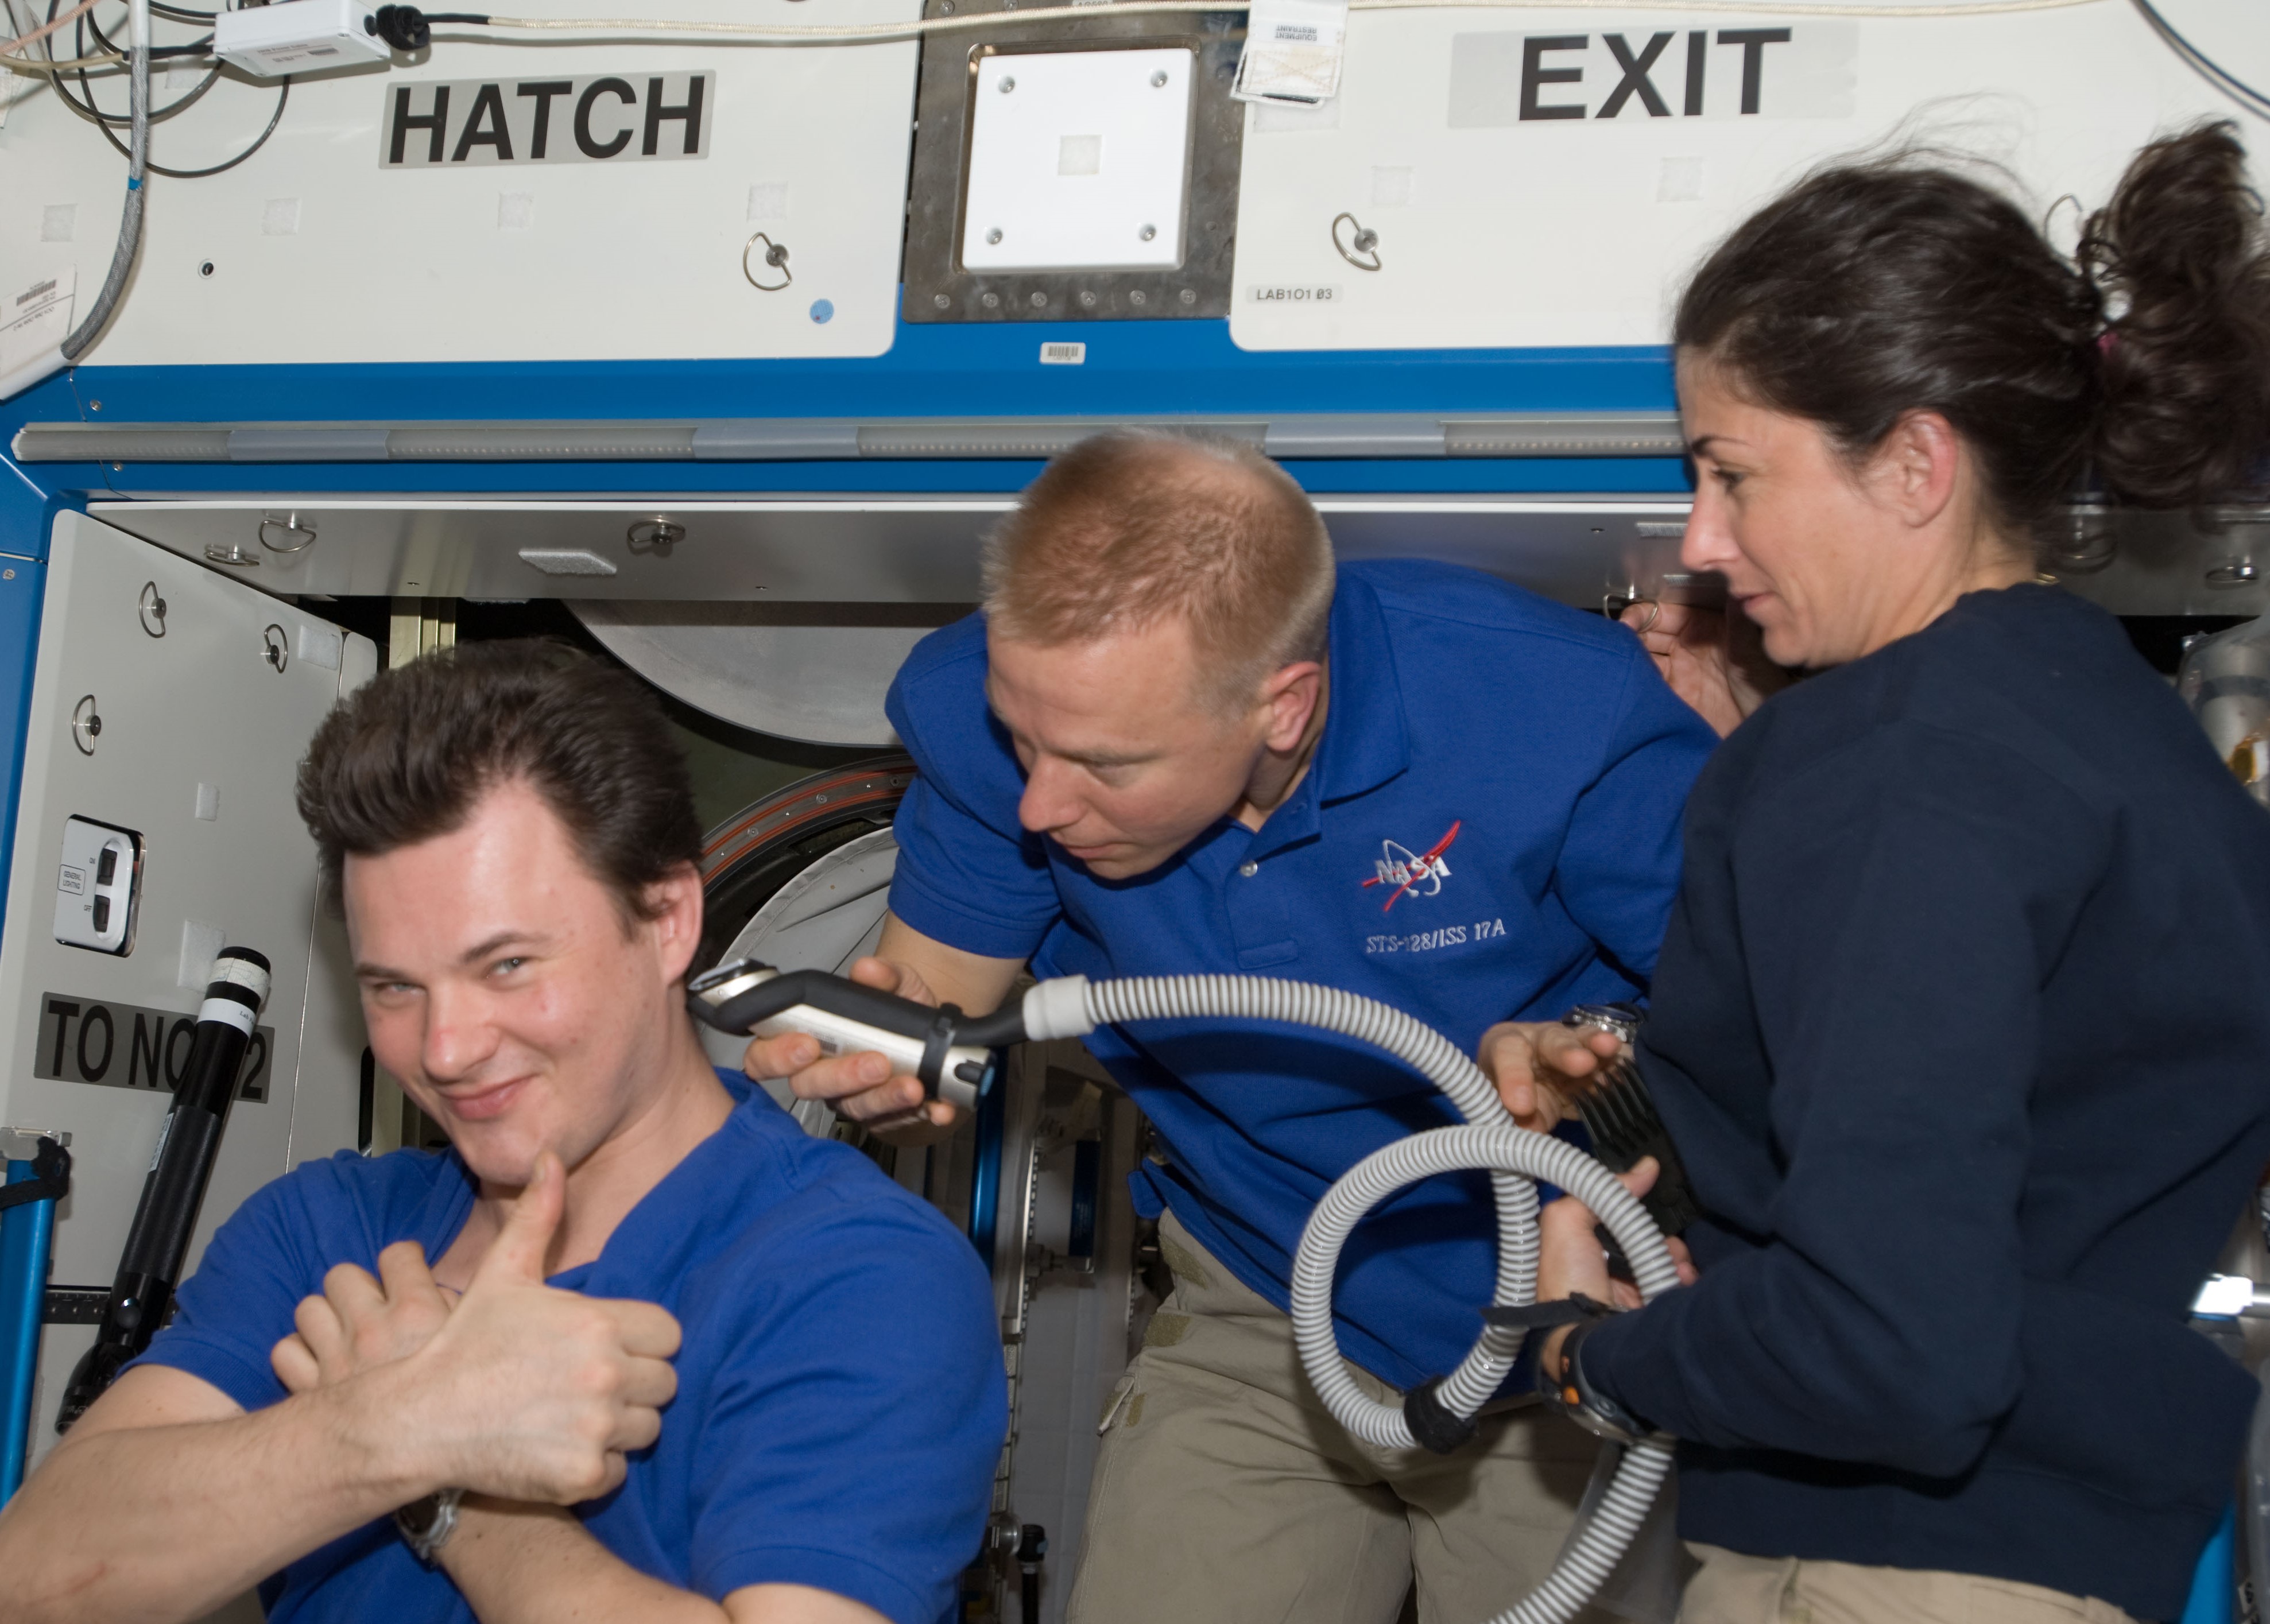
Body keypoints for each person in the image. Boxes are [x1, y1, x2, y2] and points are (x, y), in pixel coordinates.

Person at [743, 431, 1721, 1623]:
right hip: (1265, 1285)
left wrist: (1590, 1046)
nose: (1043, 803)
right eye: (1022, 740)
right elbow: (930, 987)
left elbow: (1766, 1013)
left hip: (1556, 1315)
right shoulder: (991, 715)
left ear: (1283, 706)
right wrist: (881, 1054)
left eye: (1105, 763)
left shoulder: (1552, 713)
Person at [1521, 122, 2270, 1624]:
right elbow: (2028, 1146)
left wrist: (1585, 1355)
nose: (1702, 539)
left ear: (1916, 462)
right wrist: (1631, 1093)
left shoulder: (1882, 758)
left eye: (1732, 472)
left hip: (1868, 1570)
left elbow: (1888, 1340)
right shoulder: (2141, 748)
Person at [0, 642, 1006, 1624]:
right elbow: (34, 1581)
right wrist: (388, 1426)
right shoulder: (326, 1231)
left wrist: (457, 1497)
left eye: (507, 966)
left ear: (665, 919)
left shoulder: (856, 1273)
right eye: (395, 986)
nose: (444, 1048)